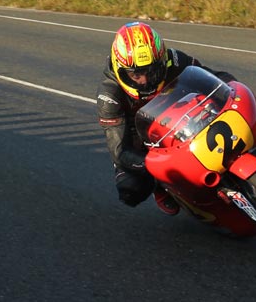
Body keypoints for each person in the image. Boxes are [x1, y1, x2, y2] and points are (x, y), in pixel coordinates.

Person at [96, 21, 236, 215]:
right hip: (140, 137)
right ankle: (161, 188)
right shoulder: (109, 96)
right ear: (121, 69)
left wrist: (233, 87)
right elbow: (120, 151)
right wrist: (155, 167)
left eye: (150, 71)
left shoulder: (174, 59)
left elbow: (213, 77)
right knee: (130, 189)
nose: (144, 80)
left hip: (181, 116)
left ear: (162, 60)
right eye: (135, 74)